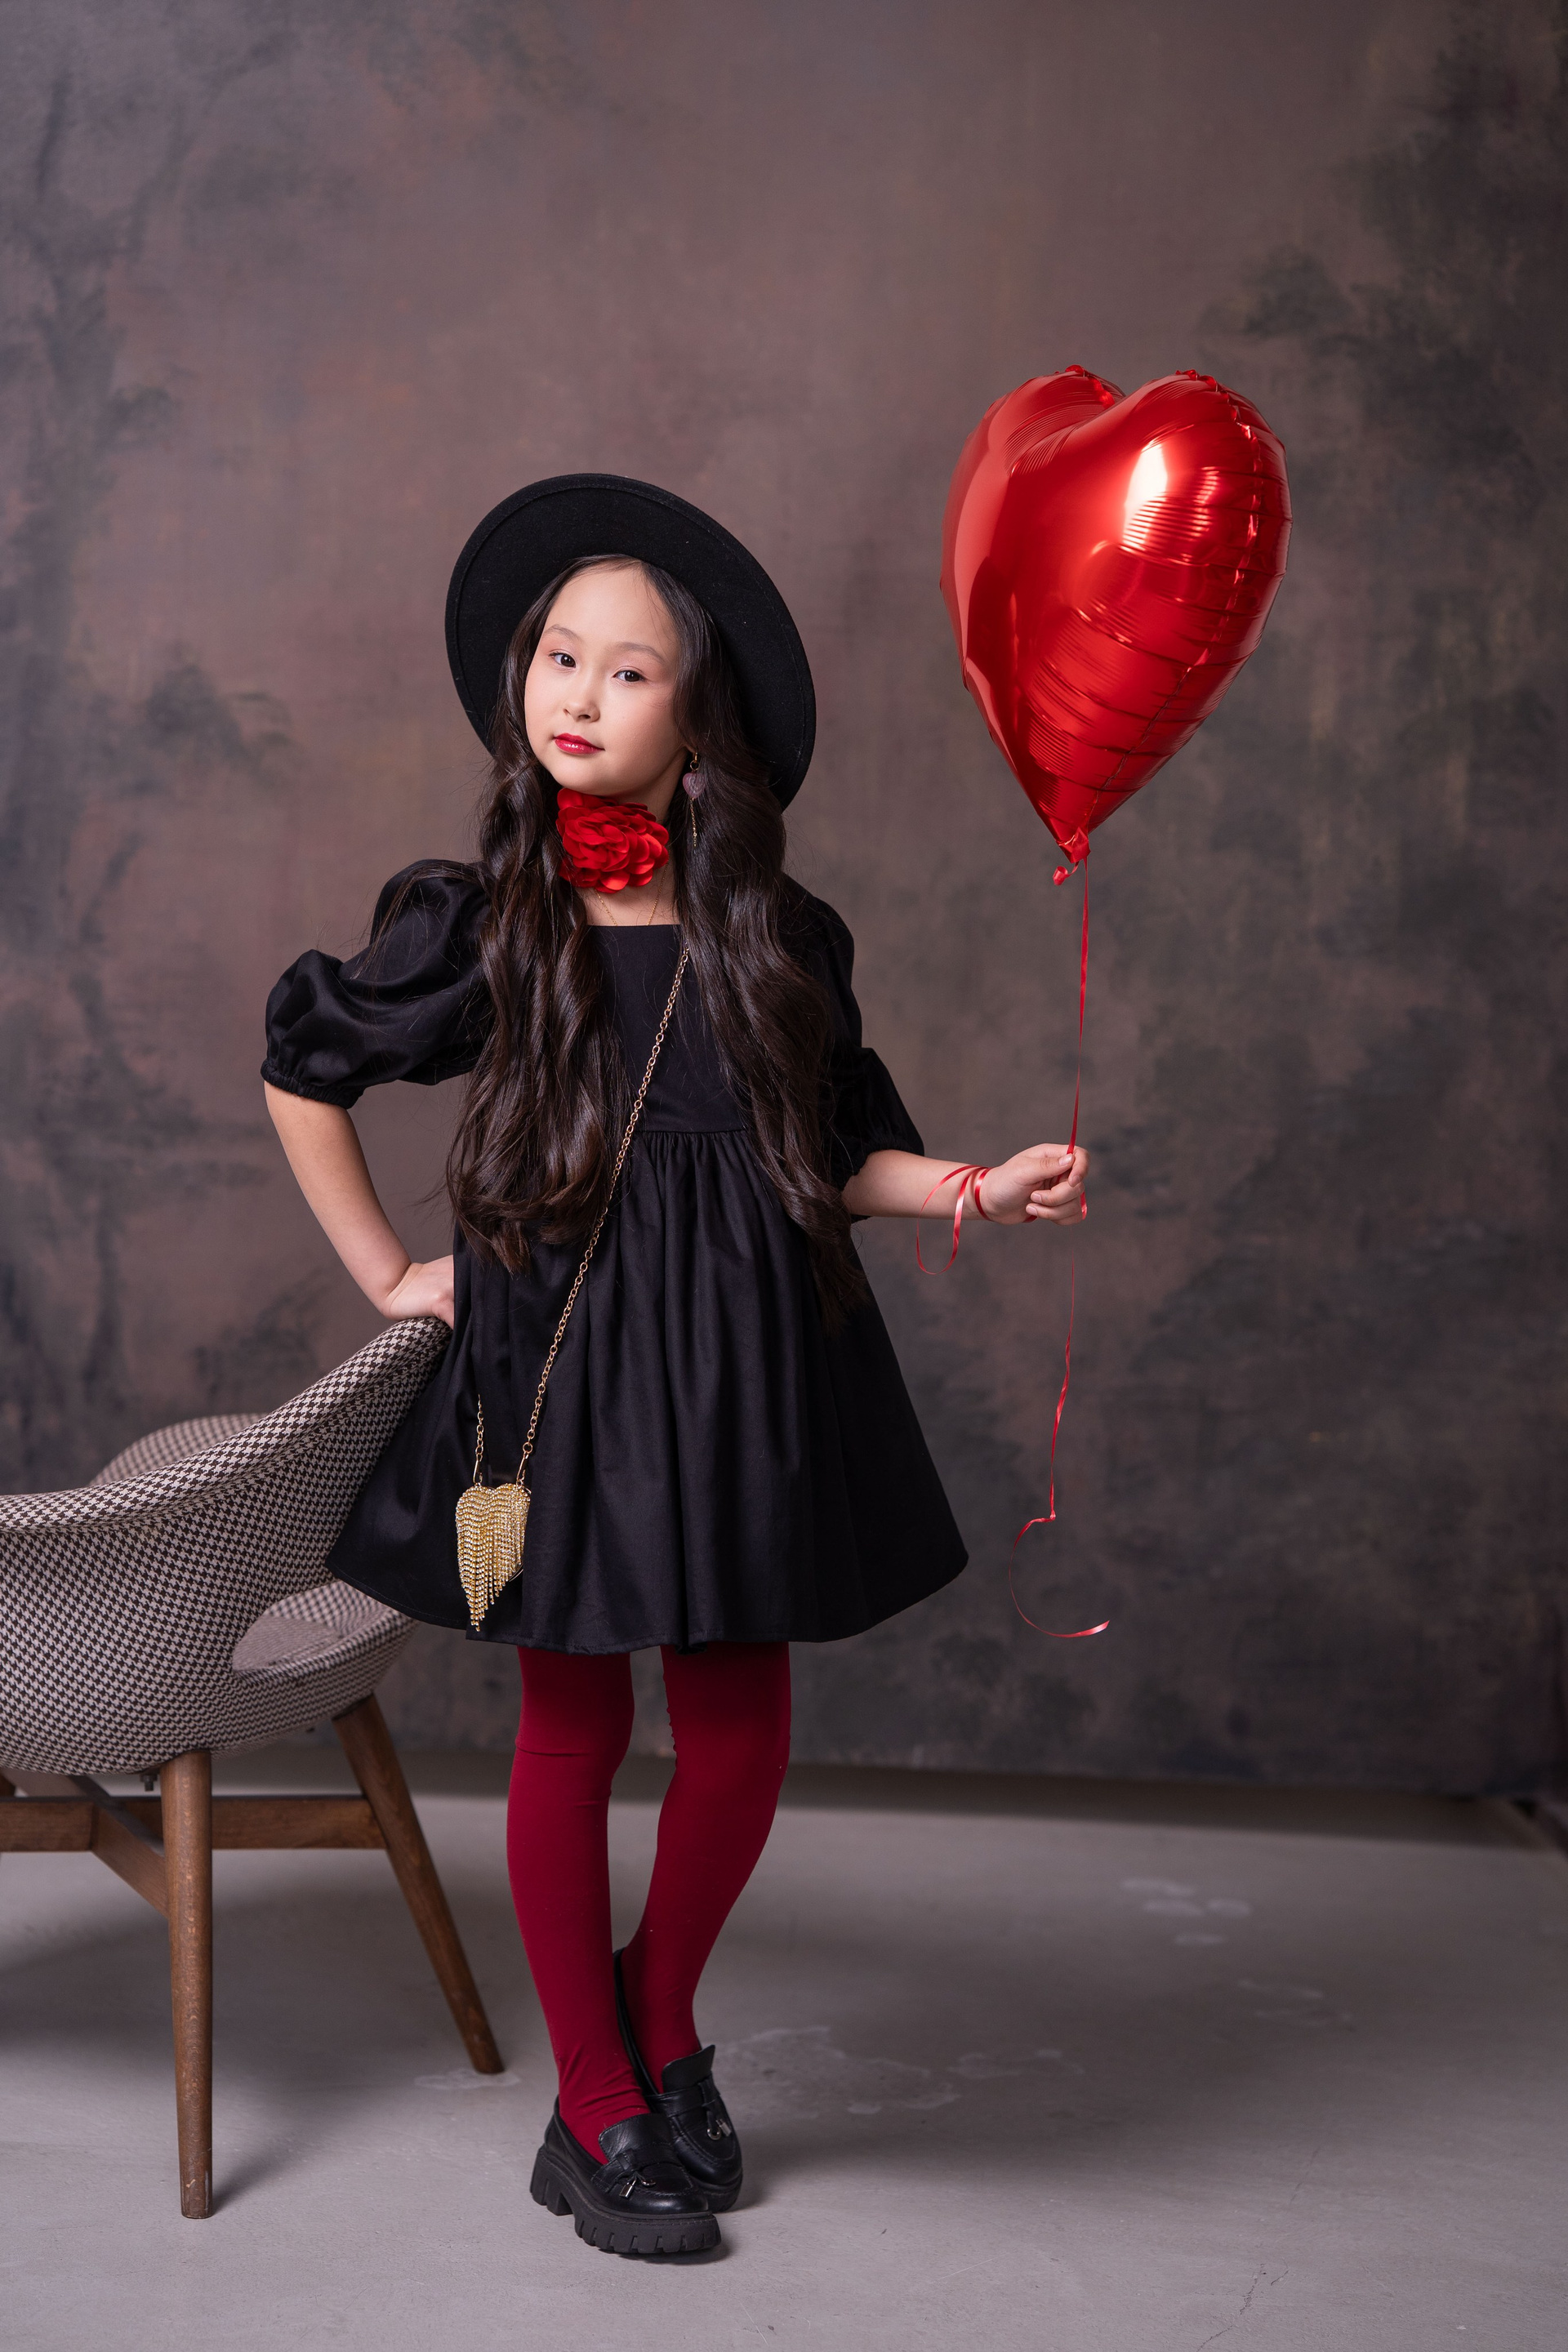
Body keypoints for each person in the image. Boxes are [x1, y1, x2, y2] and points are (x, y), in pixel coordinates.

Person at [261, 475, 1089, 2257]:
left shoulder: (779, 936)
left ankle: (658, 2010)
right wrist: (392, 1271)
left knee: (737, 1729)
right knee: (573, 1720)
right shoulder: (483, 915)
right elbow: (304, 1069)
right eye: (559, 656)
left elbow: (833, 1153)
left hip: (744, 1365)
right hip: (562, 1363)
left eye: (628, 671)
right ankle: (597, 2100)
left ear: (696, 717)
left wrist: (973, 1186)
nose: (578, 694)